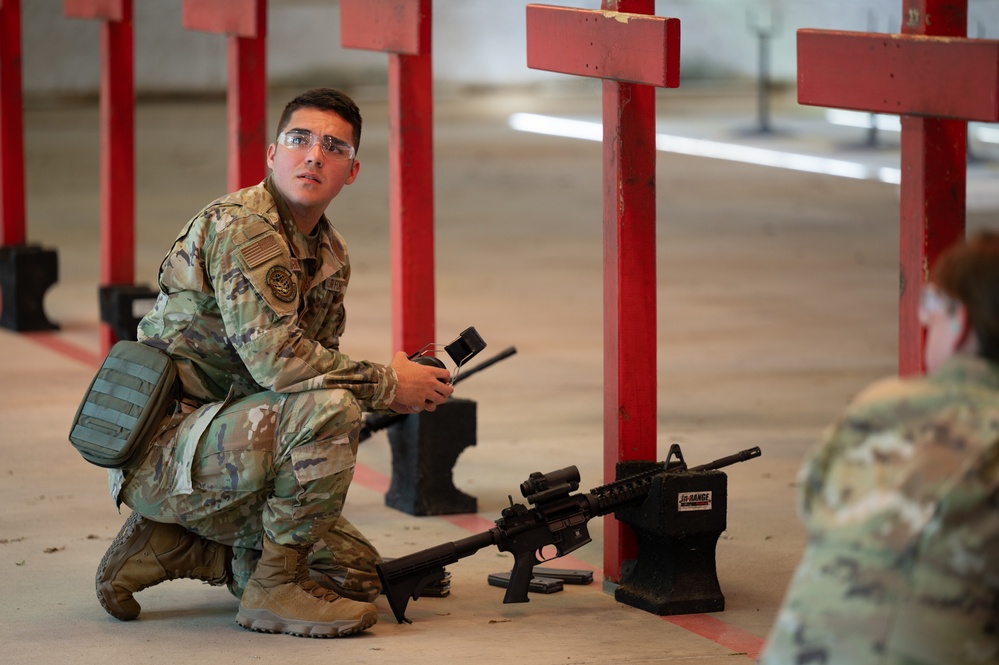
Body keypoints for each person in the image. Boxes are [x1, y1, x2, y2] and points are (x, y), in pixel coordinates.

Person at [93, 88, 454, 638]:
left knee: (356, 575)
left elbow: (316, 365)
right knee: (331, 408)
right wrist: (387, 383)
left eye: (334, 147)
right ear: (271, 153)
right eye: (300, 140)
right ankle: (270, 587)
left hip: (230, 442)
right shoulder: (244, 227)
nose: (314, 156)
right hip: (164, 449)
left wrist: (399, 382)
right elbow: (280, 366)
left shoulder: (328, 254)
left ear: (351, 171)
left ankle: (172, 547)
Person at [759, 231, 999, 664]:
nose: (924, 320)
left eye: (930, 306)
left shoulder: (880, 404)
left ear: (961, 324)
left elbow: (814, 505)